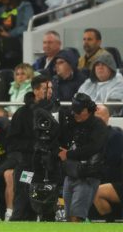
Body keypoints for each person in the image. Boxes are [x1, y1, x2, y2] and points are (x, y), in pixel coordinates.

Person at [7, 75, 58, 221]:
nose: (49, 92)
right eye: (45, 88)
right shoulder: (22, 113)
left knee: (49, 208)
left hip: (51, 167)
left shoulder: (56, 110)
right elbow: (11, 142)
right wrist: (34, 146)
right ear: (35, 90)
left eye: (51, 89)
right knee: (23, 205)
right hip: (27, 165)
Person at [58, 93, 108, 222]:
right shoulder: (72, 122)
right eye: (74, 111)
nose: (75, 114)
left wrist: (68, 154)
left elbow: (93, 148)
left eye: (79, 111)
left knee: (76, 217)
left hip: (87, 175)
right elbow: (62, 141)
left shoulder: (98, 125)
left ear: (88, 110)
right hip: (70, 173)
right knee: (69, 217)